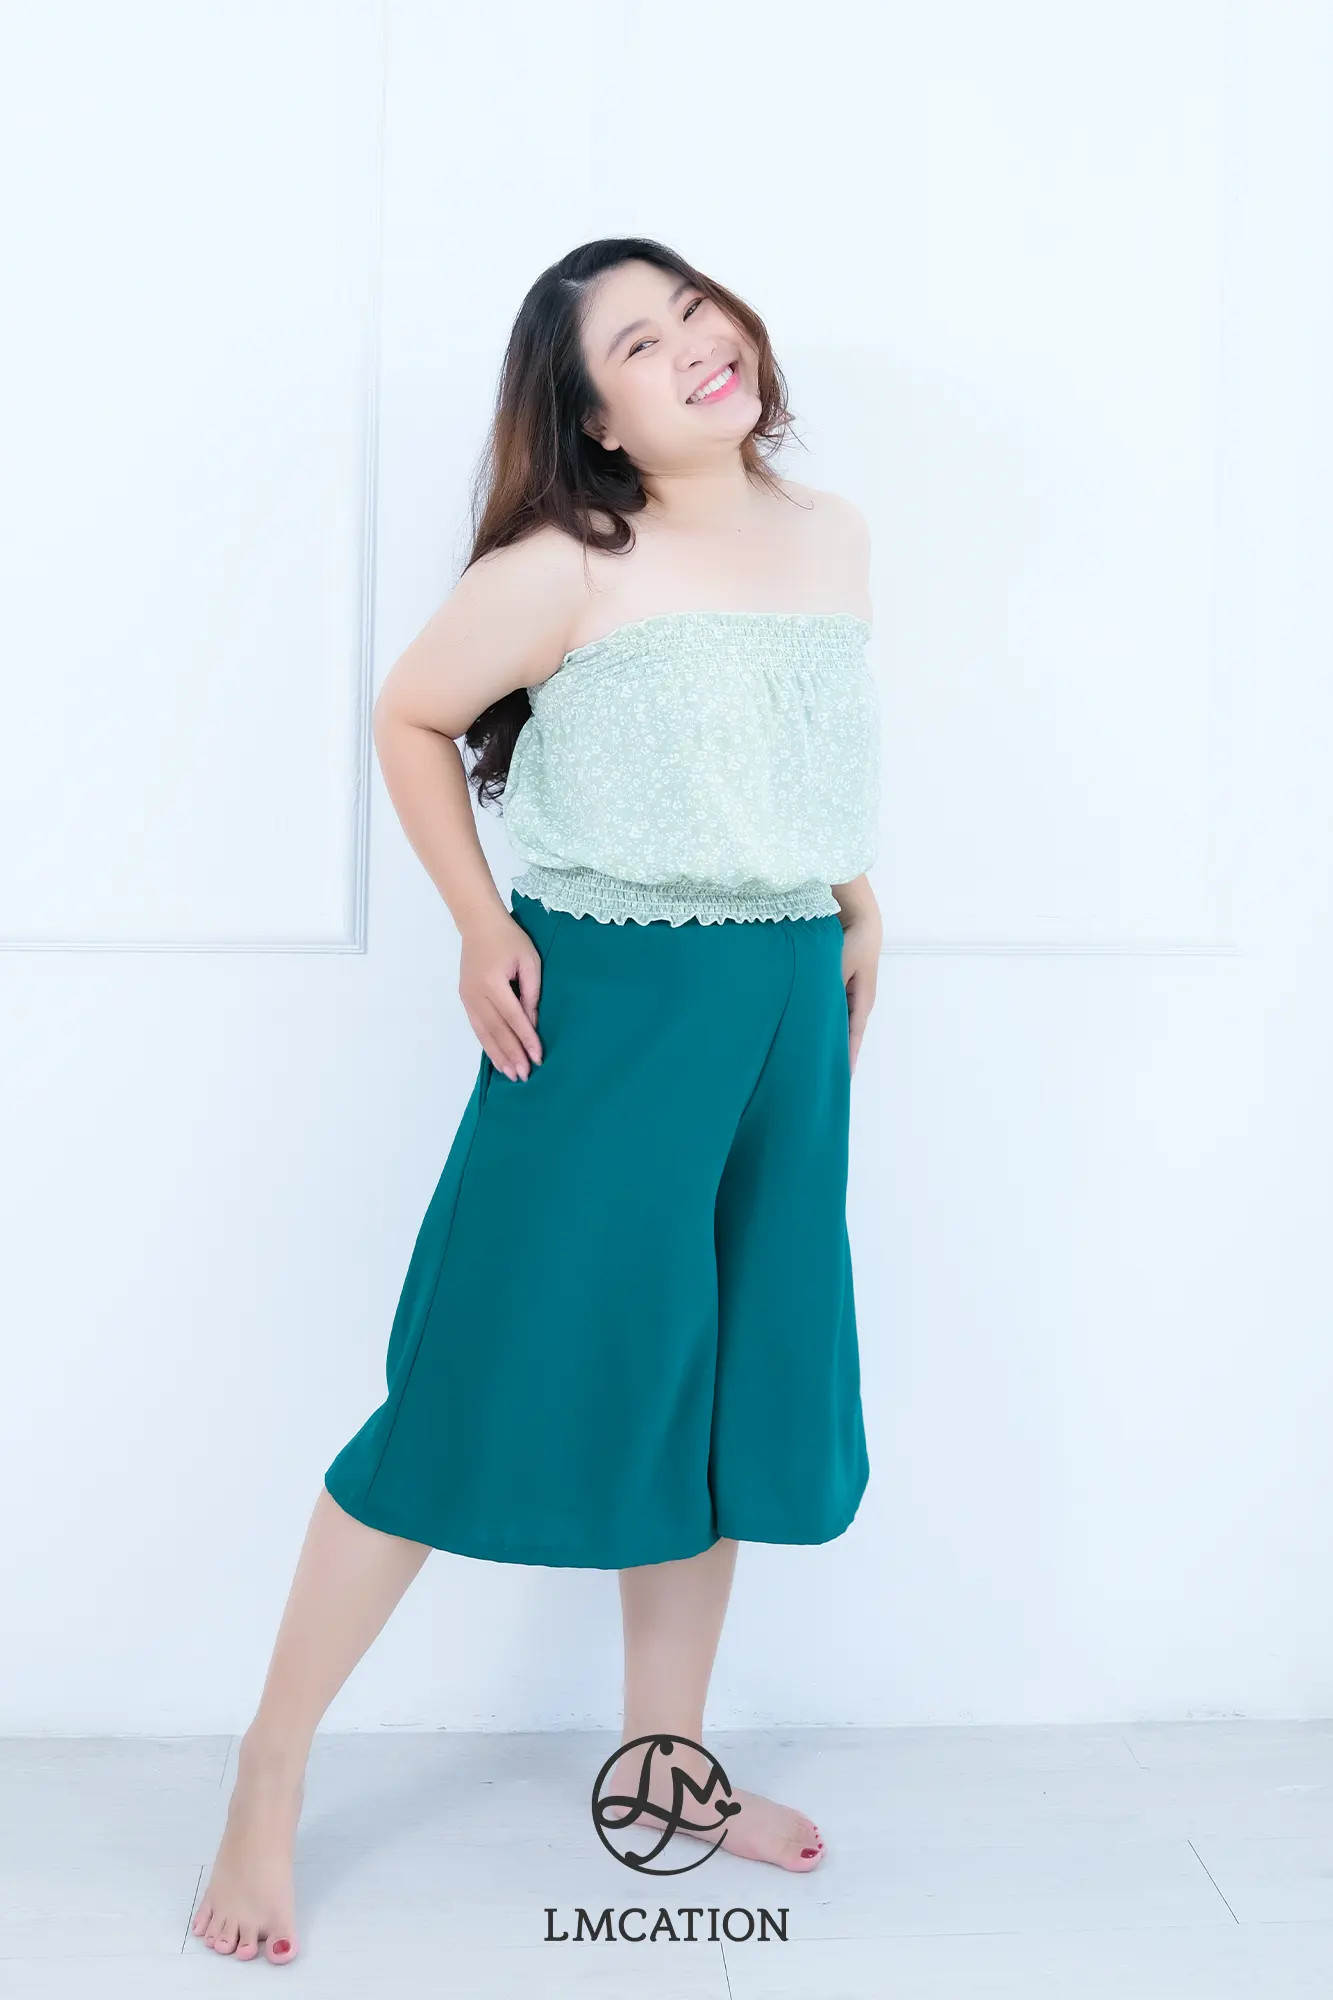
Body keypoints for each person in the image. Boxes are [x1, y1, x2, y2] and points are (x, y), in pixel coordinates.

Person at [190, 237, 882, 1966]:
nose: (695, 345)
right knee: (462, 1388)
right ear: (595, 419)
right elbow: (412, 716)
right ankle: (268, 1769)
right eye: (638, 344)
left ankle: (667, 1770)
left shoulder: (829, 533)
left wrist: (852, 893)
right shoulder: (569, 563)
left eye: (693, 308)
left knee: (713, 1398)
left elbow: (791, 750)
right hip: (607, 1008)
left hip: (784, 999)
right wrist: (479, 923)